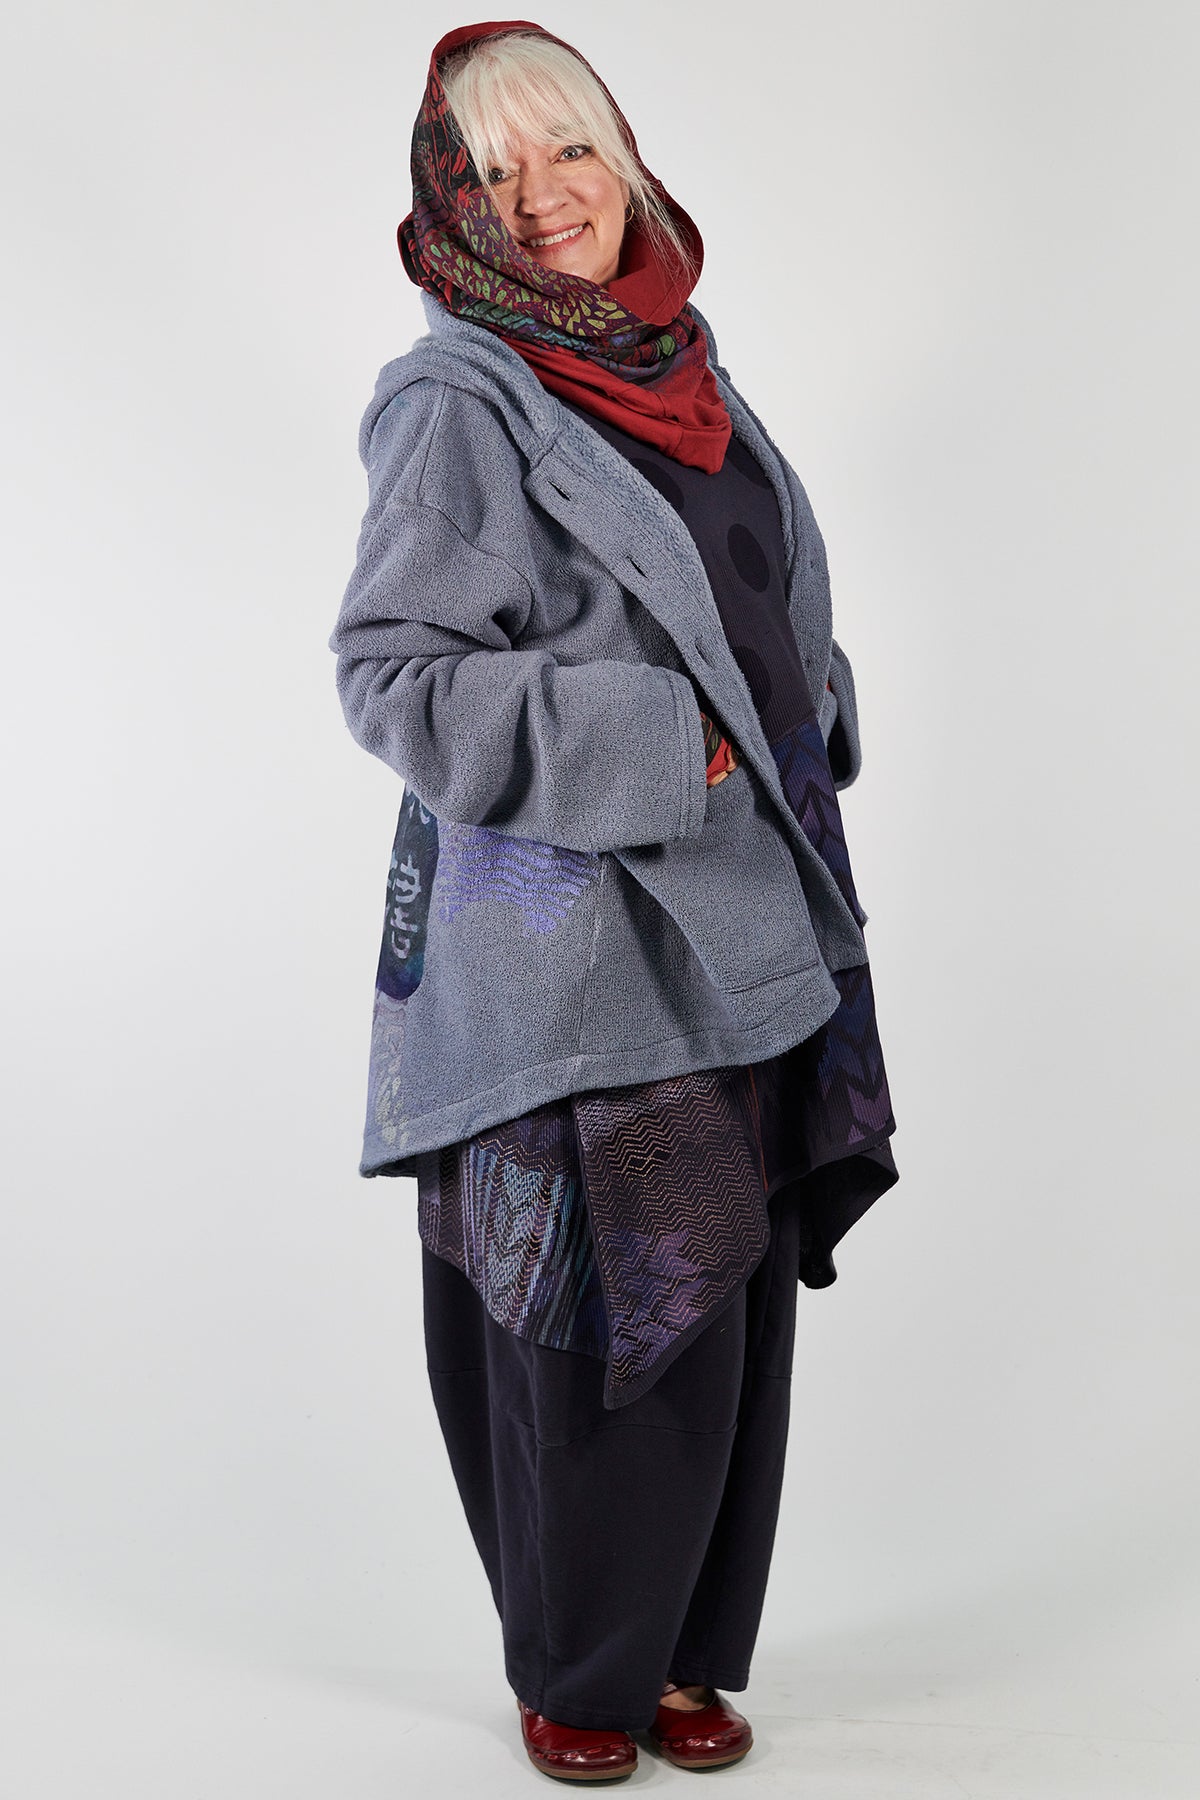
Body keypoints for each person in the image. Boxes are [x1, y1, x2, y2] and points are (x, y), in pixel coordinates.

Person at [329, 18, 900, 1784]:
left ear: (623, 156)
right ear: (454, 206)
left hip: (743, 915)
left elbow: (744, 594)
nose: (542, 197)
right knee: (607, 1328)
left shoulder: (683, 370)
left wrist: (810, 708)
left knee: (725, 1311)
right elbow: (394, 676)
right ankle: (584, 1675)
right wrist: (671, 744)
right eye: (494, 173)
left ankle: (679, 1657)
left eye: (565, 149)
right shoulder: (460, 400)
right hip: (577, 946)